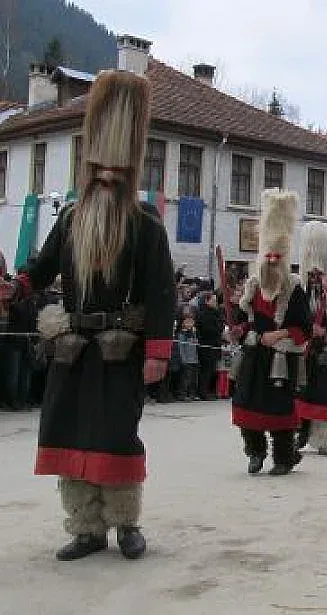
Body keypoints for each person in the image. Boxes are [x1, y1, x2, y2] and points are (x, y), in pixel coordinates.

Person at [0, 70, 175, 560]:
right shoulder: (73, 218)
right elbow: (42, 265)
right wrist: (17, 287)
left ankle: (125, 524)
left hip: (121, 350)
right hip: (73, 349)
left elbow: (162, 293)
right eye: (99, 171)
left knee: (116, 434)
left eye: (114, 173)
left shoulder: (145, 225)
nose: (105, 179)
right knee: (68, 430)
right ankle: (85, 527)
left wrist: (158, 352)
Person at [230, 189, 308, 476]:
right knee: (245, 406)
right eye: (267, 261)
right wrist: (237, 331)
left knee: (279, 412)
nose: (271, 266)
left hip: (279, 359)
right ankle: (255, 452)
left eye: (276, 262)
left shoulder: (294, 289)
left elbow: (305, 328)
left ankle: (284, 458)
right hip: (253, 355)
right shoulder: (252, 287)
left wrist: (280, 334)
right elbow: (241, 321)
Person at [294, 223, 327, 455]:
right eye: (311, 274)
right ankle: (301, 434)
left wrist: (325, 334)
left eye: (318, 274)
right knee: (301, 395)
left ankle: (324, 438)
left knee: (323, 397)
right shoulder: (298, 293)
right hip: (304, 354)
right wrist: (306, 332)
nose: (315, 277)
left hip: (325, 355)